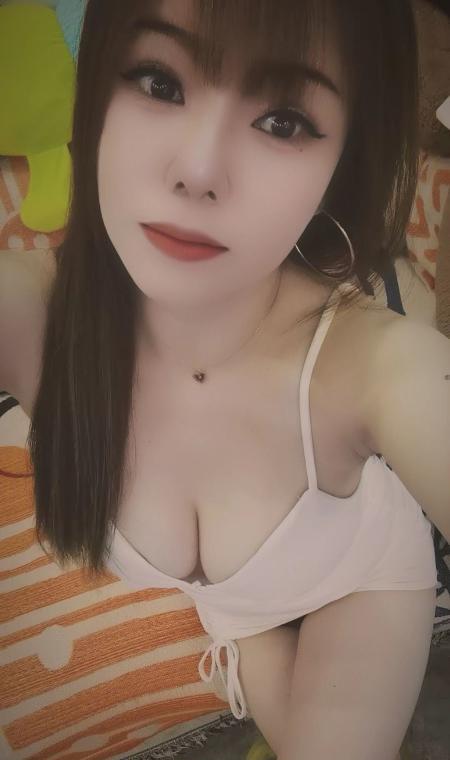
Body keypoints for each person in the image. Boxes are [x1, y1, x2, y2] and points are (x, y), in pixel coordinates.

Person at [2, 1, 449, 758]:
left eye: (282, 121)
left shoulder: (375, 366)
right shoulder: (33, 318)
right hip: (234, 605)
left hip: (358, 578)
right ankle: (247, 641)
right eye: (158, 81)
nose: (199, 170)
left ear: (341, 160)